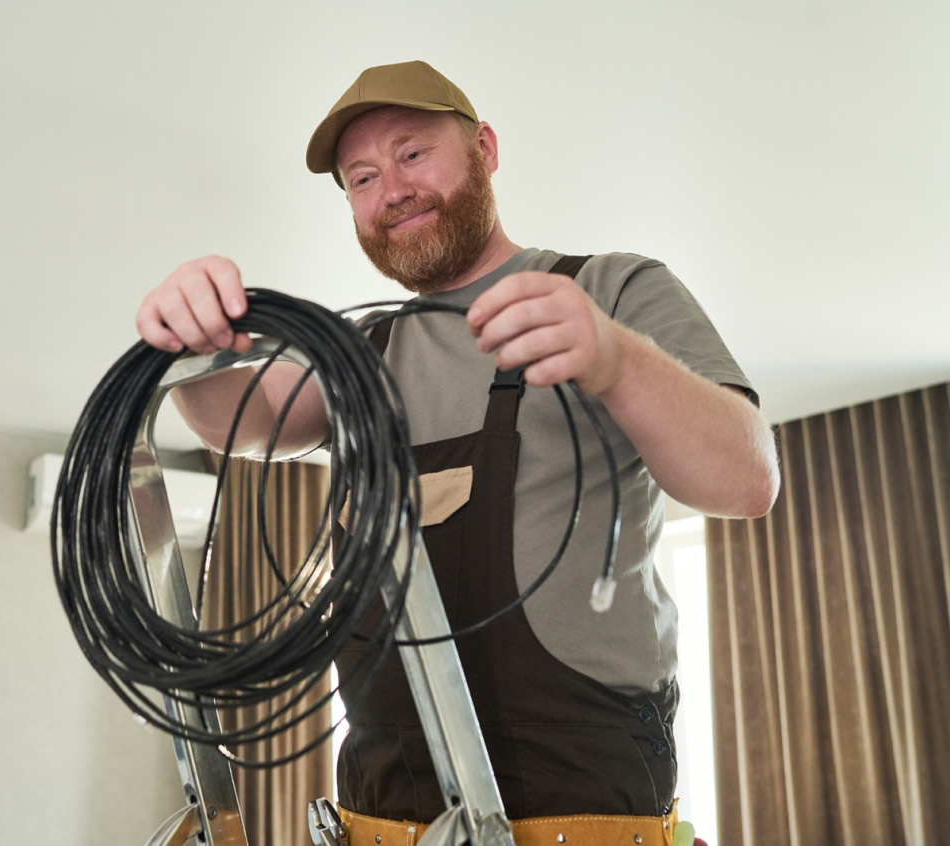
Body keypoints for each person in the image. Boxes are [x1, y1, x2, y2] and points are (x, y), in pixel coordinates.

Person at [136, 60, 779, 846]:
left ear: (485, 148)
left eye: (412, 154)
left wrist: (616, 359)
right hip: (378, 816)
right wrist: (192, 337)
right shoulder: (364, 353)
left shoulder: (611, 288)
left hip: (583, 808)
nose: (392, 190)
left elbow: (747, 479)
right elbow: (244, 421)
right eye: (362, 178)